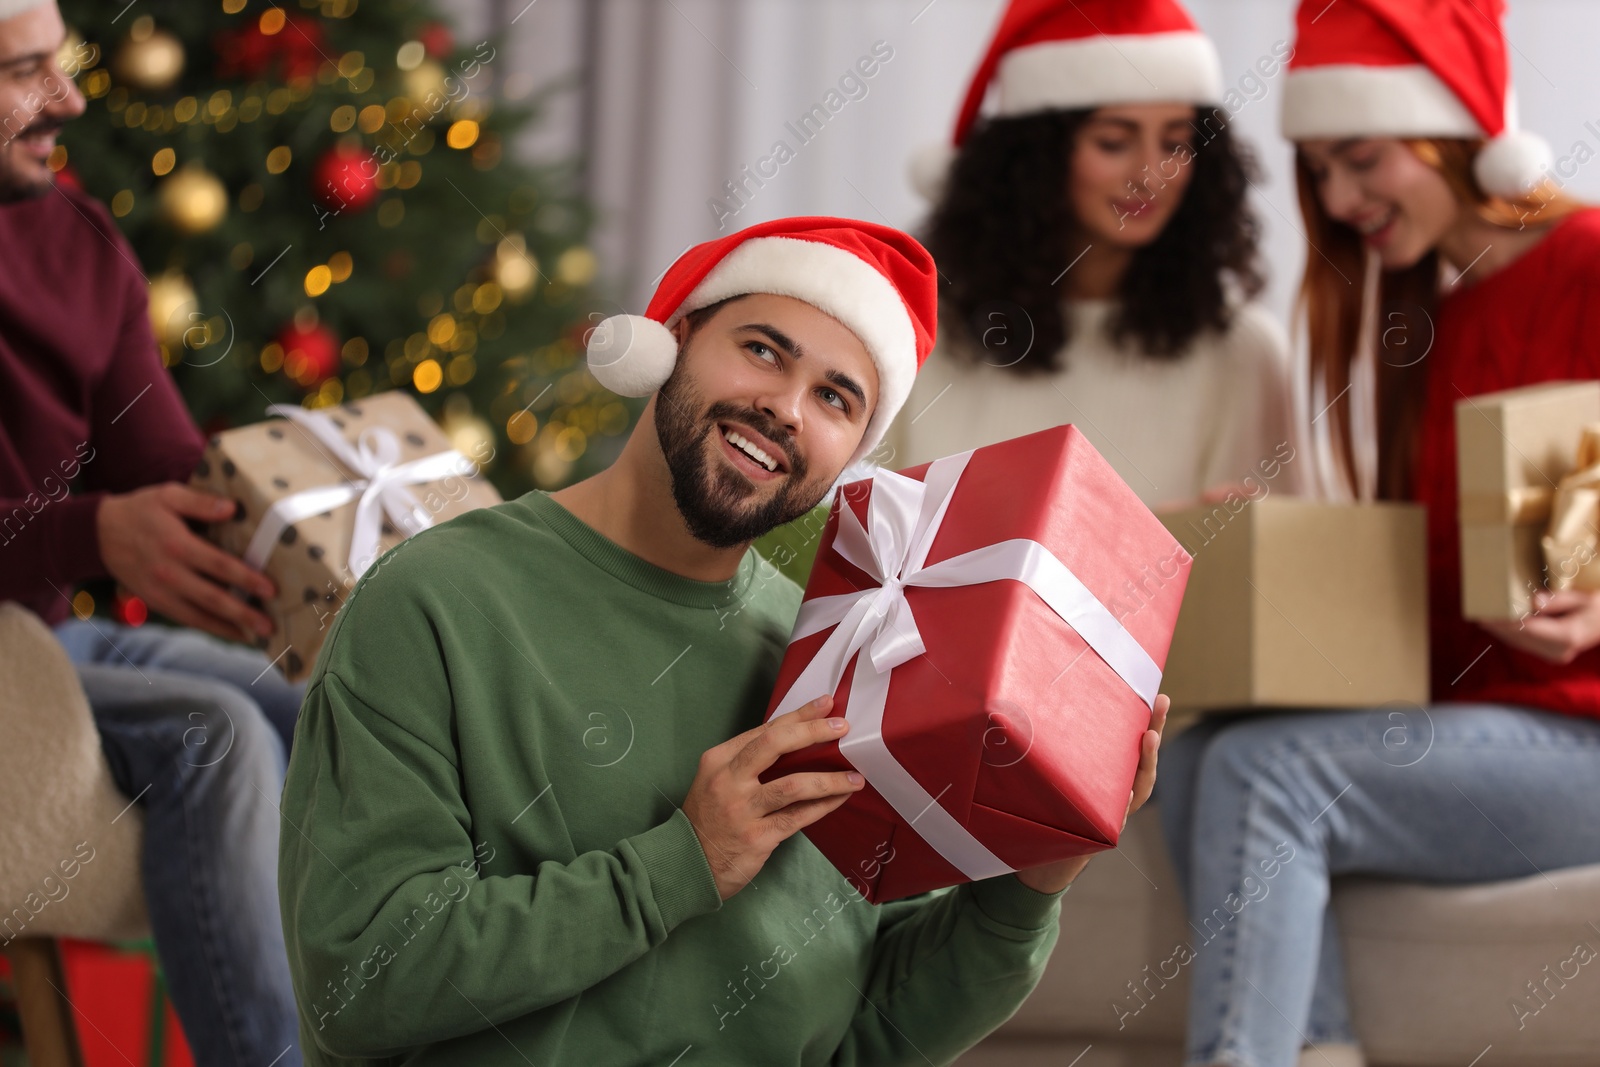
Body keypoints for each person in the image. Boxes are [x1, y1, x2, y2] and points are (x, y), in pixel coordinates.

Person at [277, 215, 1170, 1064]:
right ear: (668, 340)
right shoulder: (437, 601)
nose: (785, 407)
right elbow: (359, 983)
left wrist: (1032, 883)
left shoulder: (852, 655)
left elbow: (862, 1032)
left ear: (852, 449)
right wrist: (681, 864)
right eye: (762, 350)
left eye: (834, 397)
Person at [1156, 3, 1600, 1066]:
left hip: (1580, 737)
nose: (1343, 200)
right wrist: (1294, 550)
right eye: (1319, 172)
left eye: (1359, 160)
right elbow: (1439, 585)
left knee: (1269, 771)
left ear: (1454, 135)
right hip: (1485, 724)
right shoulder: (1438, 324)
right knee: (1190, 757)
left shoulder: (1585, 261)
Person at [0, 1, 303, 1062]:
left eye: (62, 66)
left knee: (313, 711)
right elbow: (94, 521)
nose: (69, 101)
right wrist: (88, 534)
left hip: (44, 640)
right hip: (12, 658)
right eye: (24, 73)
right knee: (213, 736)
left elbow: (161, 461)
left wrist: (302, 511)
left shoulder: (75, 242)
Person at [889, 0, 1296, 508]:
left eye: (1174, 144)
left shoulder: (1241, 353)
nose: (1152, 174)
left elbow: (1259, 569)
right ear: (1036, 157)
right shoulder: (919, 333)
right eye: (1113, 142)